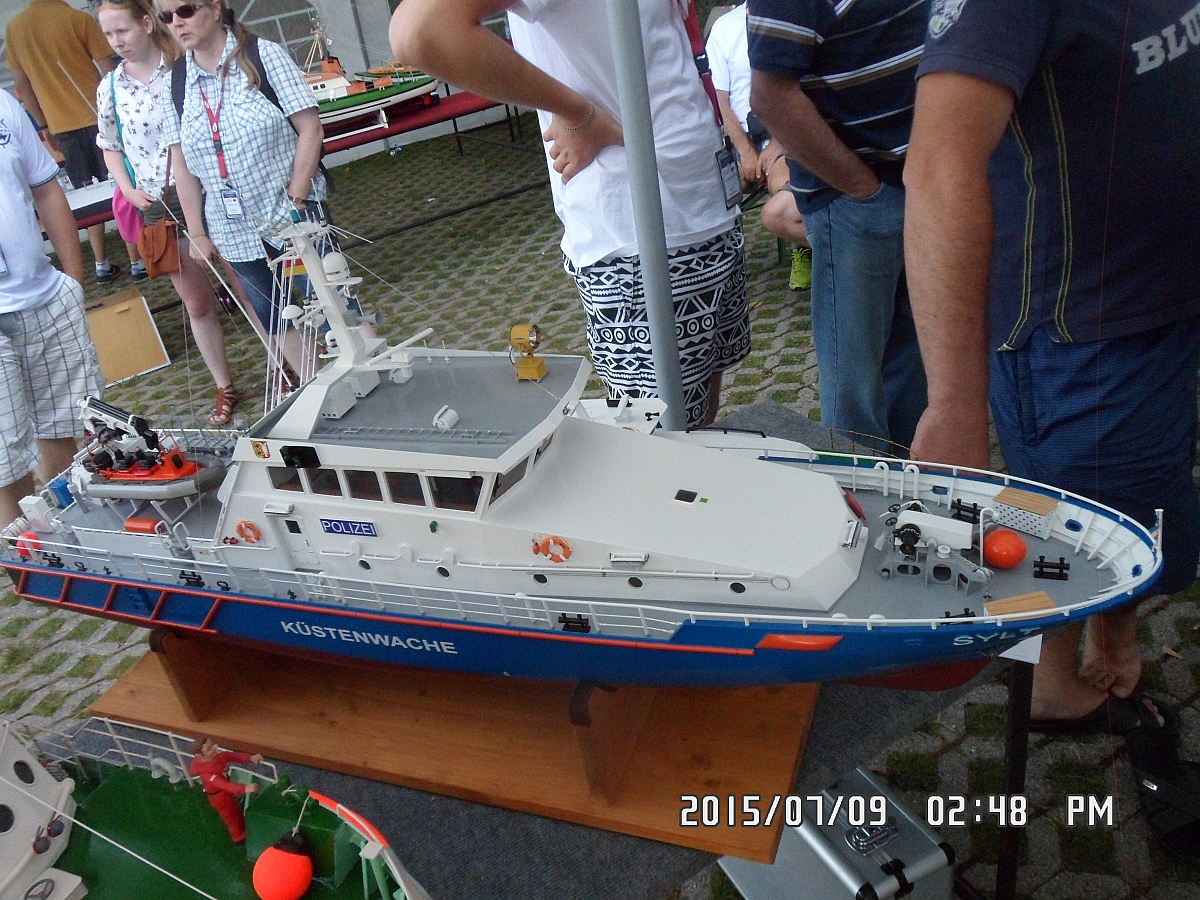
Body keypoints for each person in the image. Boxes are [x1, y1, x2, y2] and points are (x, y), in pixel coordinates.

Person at [904, 2, 1200, 731]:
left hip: (1159, 302)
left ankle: (1113, 635)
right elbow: (938, 169)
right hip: (1082, 336)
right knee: (1069, 533)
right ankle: (1047, 689)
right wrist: (954, 406)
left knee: (1142, 509)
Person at [391, 0, 750, 428]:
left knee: (701, 423)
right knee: (659, 439)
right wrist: (577, 112)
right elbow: (421, 32)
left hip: (703, 206)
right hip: (638, 235)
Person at [747, 0, 929, 454]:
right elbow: (770, 95)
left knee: (912, 363)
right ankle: (860, 491)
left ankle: (903, 484)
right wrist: (863, 189)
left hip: (919, 184)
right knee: (856, 389)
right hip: (857, 196)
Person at [160, 0, 325, 378]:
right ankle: (318, 389)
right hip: (231, 227)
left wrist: (297, 199)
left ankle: (370, 383)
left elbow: (311, 129)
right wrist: (197, 232)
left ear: (216, 9)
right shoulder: (176, 81)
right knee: (275, 317)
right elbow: (182, 165)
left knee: (331, 303)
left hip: (291, 213)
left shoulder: (263, 55)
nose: (177, 22)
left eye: (185, 10)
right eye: (167, 17)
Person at [96, 0, 239, 424]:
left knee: (244, 284)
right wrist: (127, 189)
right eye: (108, 34)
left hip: (206, 189)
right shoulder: (110, 86)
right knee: (196, 303)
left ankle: (284, 366)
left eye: (122, 30)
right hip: (156, 202)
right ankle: (224, 386)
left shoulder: (182, 64)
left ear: (145, 23)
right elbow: (109, 146)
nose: (116, 41)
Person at [0, 87, 104, 526]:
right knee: (6, 460)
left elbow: (46, 189)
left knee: (62, 427)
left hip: (45, 295)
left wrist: (72, 282)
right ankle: (27, 555)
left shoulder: (4, 104)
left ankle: (72, 533)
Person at [6, 0, 132, 283]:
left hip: (60, 125)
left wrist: (43, 124)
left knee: (86, 193)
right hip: (98, 114)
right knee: (120, 186)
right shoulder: (77, 19)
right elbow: (109, 69)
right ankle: (137, 259)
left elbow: (22, 86)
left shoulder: (16, 30)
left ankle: (101, 262)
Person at [705, 1, 810, 292]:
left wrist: (777, 144)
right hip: (737, 142)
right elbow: (718, 101)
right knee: (709, 190)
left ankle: (804, 247)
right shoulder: (725, 28)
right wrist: (745, 150)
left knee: (783, 187)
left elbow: (804, 89)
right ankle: (713, 265)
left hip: (784, 138)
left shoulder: (793, 14)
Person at [188, 736, 262, 842]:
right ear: (199, 756)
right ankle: (238, 837)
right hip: (219, 798)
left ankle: (243, 824)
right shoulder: (207, 774)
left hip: (227, 793)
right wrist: (244, 788)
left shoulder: (217, 757)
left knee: (236, 810)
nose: (214, 748)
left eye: (212, 745)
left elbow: (232, 756)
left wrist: (250, 758)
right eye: (209, 749)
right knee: (231, 818)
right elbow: (223, 785)